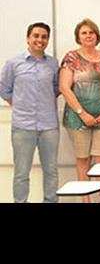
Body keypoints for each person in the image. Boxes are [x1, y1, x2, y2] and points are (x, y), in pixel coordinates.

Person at [0, 23, 60, 203]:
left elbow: (56, 88)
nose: (40, 40)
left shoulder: (53, 63)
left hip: (49, 126)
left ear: (47, 40)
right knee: (21, 173)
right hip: (22, 126)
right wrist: (18, 102)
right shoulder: (13, 63)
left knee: (51, 171)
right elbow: (3, 88)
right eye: (36, 36)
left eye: (44, 37)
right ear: (28, 38)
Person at [59, 18, 100, 203]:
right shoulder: (71, 58)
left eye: (91, 32)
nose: (88, 35)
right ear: (78, 37)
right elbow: (64, 87)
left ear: (97, 35)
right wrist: (82, 114)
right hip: (77, 119)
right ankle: (86, 200)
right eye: (84, 33)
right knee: (83, 160)